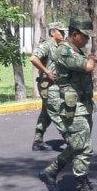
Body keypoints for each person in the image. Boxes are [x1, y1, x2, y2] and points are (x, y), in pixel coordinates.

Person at [38, 16, 97, 191]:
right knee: (84, 148)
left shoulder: (76, 49)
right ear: (75, 34)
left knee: (77, 144)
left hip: (83, 104)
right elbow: (89, 66)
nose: (87, 40)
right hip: (73, 107)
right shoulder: (64, 50)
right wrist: (90, 58)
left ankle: (50, 173)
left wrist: (87, 56)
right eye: (85, 36)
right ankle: (82, 188)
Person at [29, 22, 68, 151]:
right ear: (52, 32)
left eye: (63, 32)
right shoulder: (47, 45)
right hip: (48, 85)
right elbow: (34, 58)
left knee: (46, 112)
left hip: (57, 85)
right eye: (60, 31)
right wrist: (47, 72)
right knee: (56, 110)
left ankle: (37, 140)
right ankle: (71, 141)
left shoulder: (61, 46)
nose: (63, 34)